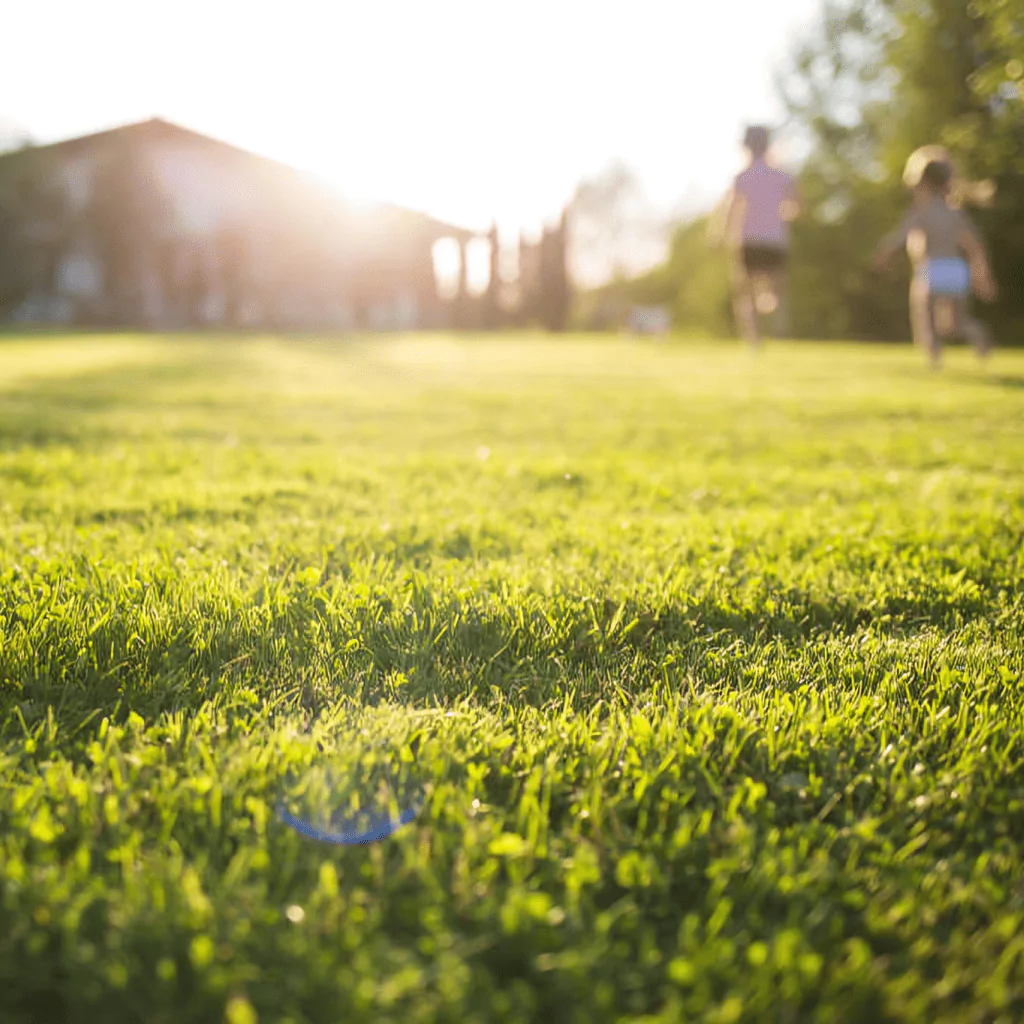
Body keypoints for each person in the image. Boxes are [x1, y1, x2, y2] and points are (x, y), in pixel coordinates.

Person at [874, 145, 997, 370]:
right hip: (957, 269)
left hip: (932, 268)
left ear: (921, 183)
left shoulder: (921, 211)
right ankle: (978, 335)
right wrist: (982, 274)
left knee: (925, 314)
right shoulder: (955, 212)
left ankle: (934, 357)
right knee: (957, 322)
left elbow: (900, 236)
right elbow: (974, 246)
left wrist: (885, 252)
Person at [710, 125, 801, 348]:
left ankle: (754, 341)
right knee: (774, 291)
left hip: (748, 241)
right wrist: (785, 212)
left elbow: (731, 210)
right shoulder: (783, 177)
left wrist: (719, 235)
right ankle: (768, 305)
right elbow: (797, 208)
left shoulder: (742, 177)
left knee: (744, 294)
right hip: (775, 241)